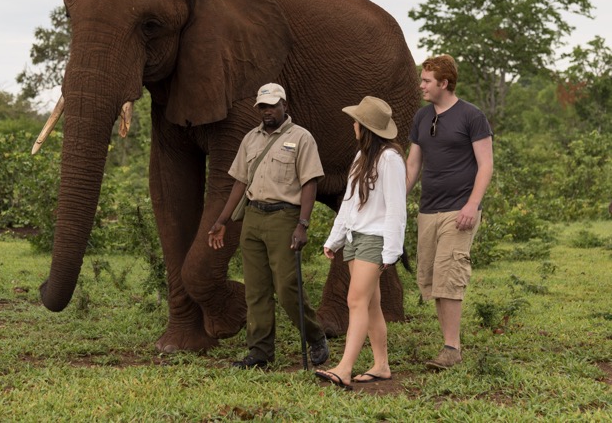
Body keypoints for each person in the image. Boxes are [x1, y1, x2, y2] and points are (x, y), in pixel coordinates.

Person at [208, 82, 329, 369]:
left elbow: (310, 182)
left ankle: (315, 335)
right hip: (253, 217)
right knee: (256, 290)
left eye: (272, 105)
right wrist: (222, 220)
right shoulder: (251, 138)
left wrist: (303, 224)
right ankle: (260, 352)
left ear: (285, 105)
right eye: (262, 106)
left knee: (287, 286)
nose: (267, 111)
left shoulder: (301, 138)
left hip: (284, 217)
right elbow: (240, 181)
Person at [406, 54, 493, 370]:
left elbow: (486, 164)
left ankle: (451, 348)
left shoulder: (472, 116)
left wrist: (472, 204)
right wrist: (396, 202)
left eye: (427, 80)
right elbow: (413, 164)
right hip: (428, 210)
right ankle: (448, 346)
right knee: (431, 279)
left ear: (444, 83)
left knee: (449, 275)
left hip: (459, 210)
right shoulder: (421, 117)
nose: (422, 85)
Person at [313, 96, 406, 390]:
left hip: (374, 239)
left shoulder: (390, 159)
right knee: (372, 304)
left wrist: (391, 251)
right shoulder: (361, 157)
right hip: (354, 238)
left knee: (355, 301)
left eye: (356, 120)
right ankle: (381, 365)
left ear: (365, 127)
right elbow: (349, 204)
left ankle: (345, 368)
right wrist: (334, 239)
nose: (352, 124)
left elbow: (396, 208)